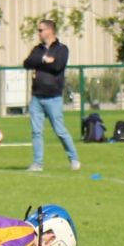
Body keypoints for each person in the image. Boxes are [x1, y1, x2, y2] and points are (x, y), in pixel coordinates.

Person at [23, 19, 80, 172]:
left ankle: (74, 158)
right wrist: (43, 59)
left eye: (41, 30)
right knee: (36, 131)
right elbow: (28, 63)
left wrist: (43, 63)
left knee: (60, 130)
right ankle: (38, 163)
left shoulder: (62, 49)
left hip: (53, 97)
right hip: (36, 97)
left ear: (49, 31)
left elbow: (57, 66)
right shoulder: (38, 50)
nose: (39, 33)